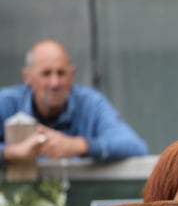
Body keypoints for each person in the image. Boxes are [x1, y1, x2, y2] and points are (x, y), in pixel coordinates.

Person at [0, 38, 148, 164]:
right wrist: (10, 152)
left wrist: (79, 145)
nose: (55, 83)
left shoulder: (90, 103)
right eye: (46, 74)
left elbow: (135, 147)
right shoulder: (7, 102)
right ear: (28, 77)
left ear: (71, 74)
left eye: (61, 73)